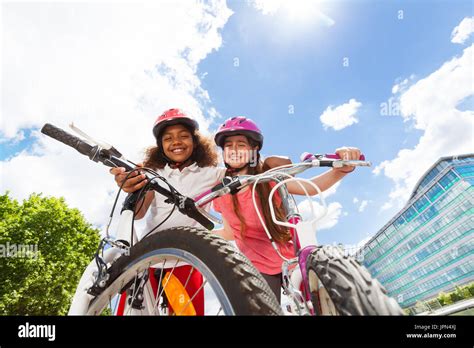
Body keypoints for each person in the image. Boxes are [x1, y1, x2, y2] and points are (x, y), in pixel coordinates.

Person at [212, 116, 361, 302]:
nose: (234, 150)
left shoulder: (268, 179)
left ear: (254, 150)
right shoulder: (222, 193)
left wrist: (340, 170)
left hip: (291, 257)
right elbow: (229, 232)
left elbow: (309, 187)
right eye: (229, 145)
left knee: (322, 300)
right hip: (258, 267)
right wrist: (193, 235)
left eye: (241, 144)